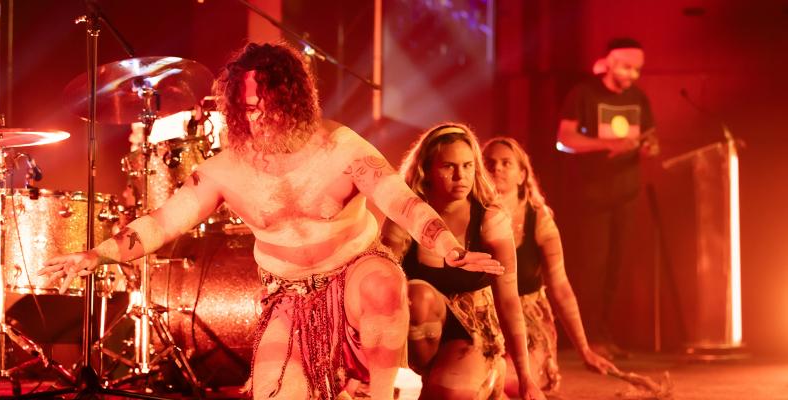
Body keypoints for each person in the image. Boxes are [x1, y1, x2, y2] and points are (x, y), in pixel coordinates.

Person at [39, 42, 504, 400]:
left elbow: (401, 201)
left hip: (353, 274)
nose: (256, 118)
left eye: (266, 105)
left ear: (294, 100)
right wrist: (96, 253)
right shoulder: (225, 169)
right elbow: (163, 222)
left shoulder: (341, 148)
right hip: (290, 295)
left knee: (382, 281)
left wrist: (447, 245)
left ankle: (385, 389)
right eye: (246, 108)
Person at [381, 123, 546, 400]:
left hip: (473, 333)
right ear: (427, 171)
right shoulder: (406, 216)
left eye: (468, 166)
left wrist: (526, 376)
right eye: (449, 167)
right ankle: (436, 376)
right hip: (419, 333)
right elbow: (379, 285)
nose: (461, 176)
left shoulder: (489, 220)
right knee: (416, 294)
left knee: (448, 395)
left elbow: (508, 301)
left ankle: (484, 373)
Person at [482, 137, 617, 394]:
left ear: (522, 175)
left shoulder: (539, 220)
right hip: (485, 314)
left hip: (527, 317)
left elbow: (560, 287)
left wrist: (584, 350)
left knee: (509, 380)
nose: (497, 168)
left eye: (505, 163)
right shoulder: (470, 215)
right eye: (489, 163)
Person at [555, 37, 659, 357]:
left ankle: (604, 336)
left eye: (637, 69)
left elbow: (650, 135)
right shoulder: (583, 94)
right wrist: (608, 145)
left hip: (626, 196)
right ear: (609, 62)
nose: (632, 75)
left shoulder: (638, 98)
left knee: (616, 269)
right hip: (591, 198)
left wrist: (648, 147)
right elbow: (564, 139)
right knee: (592, 269)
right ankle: (588, 340)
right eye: (627, 67)